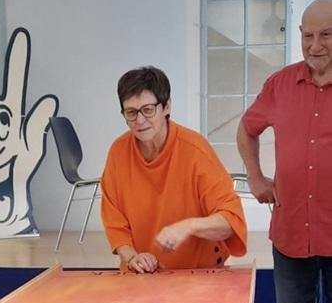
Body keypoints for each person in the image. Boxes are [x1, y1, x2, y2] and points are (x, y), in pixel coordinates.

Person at [236, 0, 332, 303]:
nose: (315, 45)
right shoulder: (279, 85)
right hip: (292, 230)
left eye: (326, 35)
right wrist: (256, 177)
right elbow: (247, 128)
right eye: (308, 35)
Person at [100, 66, 247, 274]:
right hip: (142, 274)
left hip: (199, 274)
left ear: (166, 106)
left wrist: (189, 226)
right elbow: (115, 222)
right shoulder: (118, 152)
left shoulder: (195, 150)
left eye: (148, 110)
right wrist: (132, 257)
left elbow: (231, 221)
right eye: (131, 112)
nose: (140, 121)